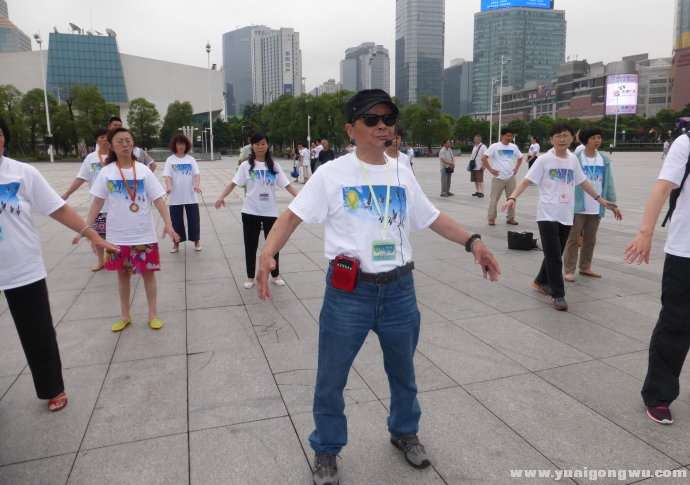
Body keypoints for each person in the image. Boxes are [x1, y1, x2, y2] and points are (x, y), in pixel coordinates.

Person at [255, 89, 501, 485]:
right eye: (372, 119)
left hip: (400, 290)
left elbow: (432, 216)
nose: (382, 125)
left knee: (403, 372)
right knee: (331, 377)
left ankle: (405, 431)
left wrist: (473, 242)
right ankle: (327, 448)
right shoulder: (332, 173)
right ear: (351, 129)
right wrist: (268, 252)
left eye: (388, 118)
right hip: (349, 293)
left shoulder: (402, 170)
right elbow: (291, 215)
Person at [0, 118, 117, 412]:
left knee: (37, 331)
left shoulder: (22, 172)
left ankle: (52, 387)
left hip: (22, 267)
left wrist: (91, 234)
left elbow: (58, 208)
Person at [503, 124, 620, 311]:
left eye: (565, 135)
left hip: (566, 214)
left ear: (572, 138)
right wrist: (512, 197)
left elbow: (583, 182)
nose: (562, 139)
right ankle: (558, 294)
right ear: (551, 140)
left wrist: (601, 200)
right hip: (547, 214)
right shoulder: (544, 160)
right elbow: (526, 181)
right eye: (557, 136)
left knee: (555, 253)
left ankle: (540, 281)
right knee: (555, 256)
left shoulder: (573, 160)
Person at [80, 127, 179, 332]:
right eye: (120, 141)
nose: (125, 144)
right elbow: (97, 203)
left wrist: (168, 224)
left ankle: (153, 314)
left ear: (133, 143)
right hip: (117, 236)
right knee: (122, 275)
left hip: (143, 233)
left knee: (148, 274)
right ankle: (125, 315)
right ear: (111, 145)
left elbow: (159, 200)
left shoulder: (143, 170)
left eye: (128, 140)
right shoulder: (107, 172)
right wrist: (86, 228)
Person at [624, 128, 690, 426]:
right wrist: (645, 233)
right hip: (686, 250)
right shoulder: (686, 142)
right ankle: (659, 394)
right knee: (676, 324)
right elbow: (662, 188)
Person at [214, 133, 298, 289]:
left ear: (268, 145)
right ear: (252, 146)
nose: (261, 146)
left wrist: (301, 197)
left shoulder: (274, 166)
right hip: (250, 212)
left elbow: (287, 185)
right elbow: (233, 183)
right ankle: (250, 276)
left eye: (264, 143)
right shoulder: (245, 166)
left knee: (274, 246)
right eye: (257, 144)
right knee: (250, 246)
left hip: (270, 212)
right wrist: (221, 197)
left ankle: (275, 274)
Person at [563, 128, 619, 282]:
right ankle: (569, 269)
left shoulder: (604, 159)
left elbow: (609, 183)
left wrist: (613, 203)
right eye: (594, 138)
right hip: (578, 206)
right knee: (573, 239)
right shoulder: (576, 158)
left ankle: (585, 267)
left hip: (596, 206)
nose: (597, 141)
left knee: (590, 239)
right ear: (586, 140)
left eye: (599, 138)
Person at [61, 127, 111, 271]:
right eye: (101, 137)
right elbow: (81, 178)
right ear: (97, 140)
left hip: (116, 204)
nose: (104, 139)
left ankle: (117, 259)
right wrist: (67, 193)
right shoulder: (91, 158)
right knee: (99, 234)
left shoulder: (116, 156)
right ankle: (101, 261)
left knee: (117, 233)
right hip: (98, 205)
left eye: (107, 137)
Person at [163, 134, 202, 253]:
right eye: (178, 144)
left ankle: (196, 241)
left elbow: (196, 174)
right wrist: (169, 187)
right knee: (176, 222)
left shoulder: (191, 159)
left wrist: (196, 185)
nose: (181, 146)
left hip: (190, 196)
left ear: (186, 145)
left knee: (194, 220)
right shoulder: (170, 160)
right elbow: (167, 175)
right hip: (175, 197)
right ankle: (176, 244)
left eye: (183, 144)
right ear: (175, 145)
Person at [483, 127, 523, 226]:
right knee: (494, 199)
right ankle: (491, 219)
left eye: (511, 136)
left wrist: (516, 168)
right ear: (502, 136)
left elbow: (520, 157)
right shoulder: (495, 146)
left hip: (510, 177)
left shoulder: (513, 147)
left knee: (512, 199)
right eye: (508, 135)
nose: (510, 138)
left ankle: (511, 218)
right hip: (498, 178)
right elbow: (483, 158)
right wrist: (491, 169)